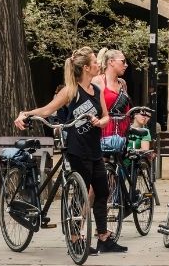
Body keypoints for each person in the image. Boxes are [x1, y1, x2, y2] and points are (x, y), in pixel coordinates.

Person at [14, 46, 127, 253]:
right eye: (94, 62)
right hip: (77, 149)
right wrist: (25, 114)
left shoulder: (97, 90)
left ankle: (103, 237)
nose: (97, 64)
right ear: (86, 68)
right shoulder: (71, 91)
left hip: (95, 148)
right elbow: (48, 110)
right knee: (80, 194)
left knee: (102, 191)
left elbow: (105, 116)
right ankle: (75, 239)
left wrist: (100, 122)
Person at [93, 48, 131, 139]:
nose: (126, 65)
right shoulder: (98, 81)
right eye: (123, 61)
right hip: (103, 134)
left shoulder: (123, 83)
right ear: (111, 62)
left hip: (122, 135)